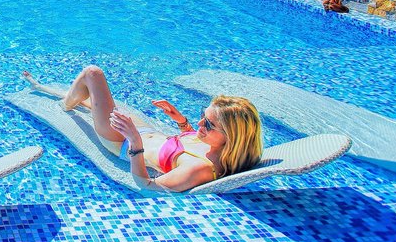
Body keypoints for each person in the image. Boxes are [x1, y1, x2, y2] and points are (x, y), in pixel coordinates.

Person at [22, 66, 262, 192]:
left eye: (208, 124)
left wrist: (135, 144)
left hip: (121, 140)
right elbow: (190, 143)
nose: (200, 124)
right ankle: (46, 89)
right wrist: (181, 122)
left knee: (93, 74)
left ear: (232, 137)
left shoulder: (198, 168)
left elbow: (148, 187)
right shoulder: (215, 143)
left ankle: (64, 103)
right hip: (143, 131)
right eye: (202, 116)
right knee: (90, 101)